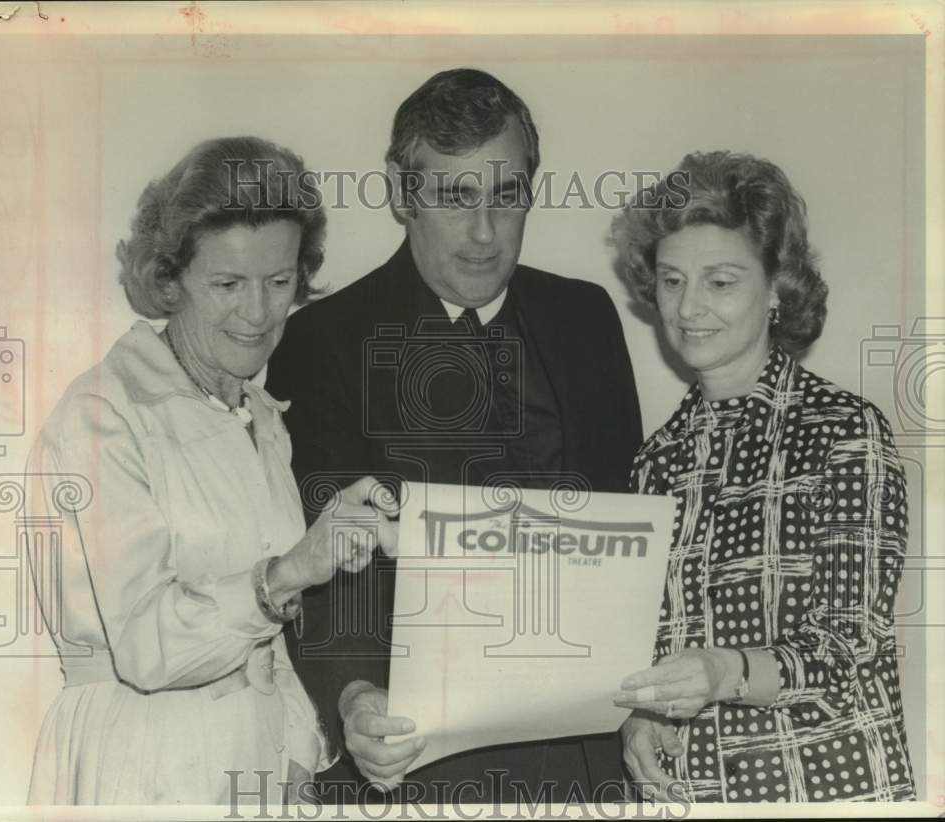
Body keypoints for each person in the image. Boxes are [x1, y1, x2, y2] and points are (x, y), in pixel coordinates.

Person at [268, 68, 643, 803]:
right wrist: (352, 698)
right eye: (455, 198)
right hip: (409, 759)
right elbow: (324, 546)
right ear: (402, 196)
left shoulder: (587, 319)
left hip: (584, 759)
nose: (484, 233)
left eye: (506, 197)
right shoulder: (323, 340)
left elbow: (626, 520)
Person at [24, 136, 399, 805]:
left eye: (279, 282)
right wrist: (290, 570)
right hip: (140, 767)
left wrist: (319, 739)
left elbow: (264, 651)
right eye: (228, 284)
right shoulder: (102, 415)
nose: (258, 314)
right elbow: (148, 647)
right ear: (170, 279)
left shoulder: (258, 415)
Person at [609, 150, 916, 803]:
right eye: (671, 281)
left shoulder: (843, 432)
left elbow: (845, 650)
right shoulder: (655, 461)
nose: (688, 307)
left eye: (719, 282)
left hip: (822, 791)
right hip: (690, 796)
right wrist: (642, 716)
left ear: (778, 287)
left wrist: (724, 672)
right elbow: (653, 645)